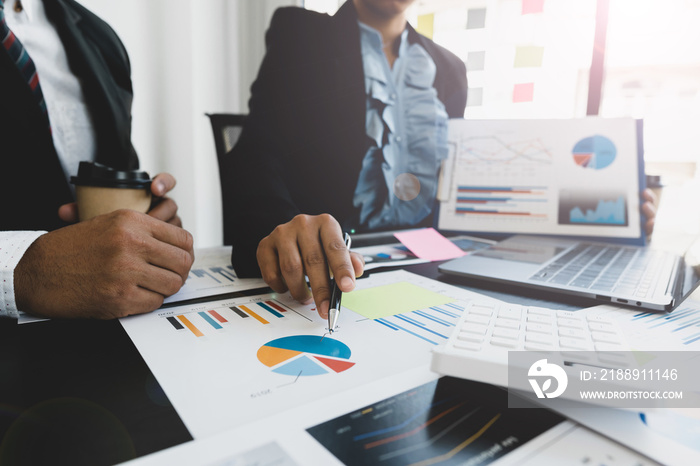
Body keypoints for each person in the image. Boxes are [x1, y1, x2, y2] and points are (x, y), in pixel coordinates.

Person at [222, 0, 657, 320]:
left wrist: (598, 217)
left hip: (428, 261)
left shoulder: (450, 68)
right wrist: (285, 225)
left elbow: (460, 190)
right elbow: (257, 150)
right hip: (339, 265)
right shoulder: (300, 32)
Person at [0, 0, 194, 320]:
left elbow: (119, 173)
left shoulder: (100, 40)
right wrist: (25, 272)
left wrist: (148, 226)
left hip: (116, 339)